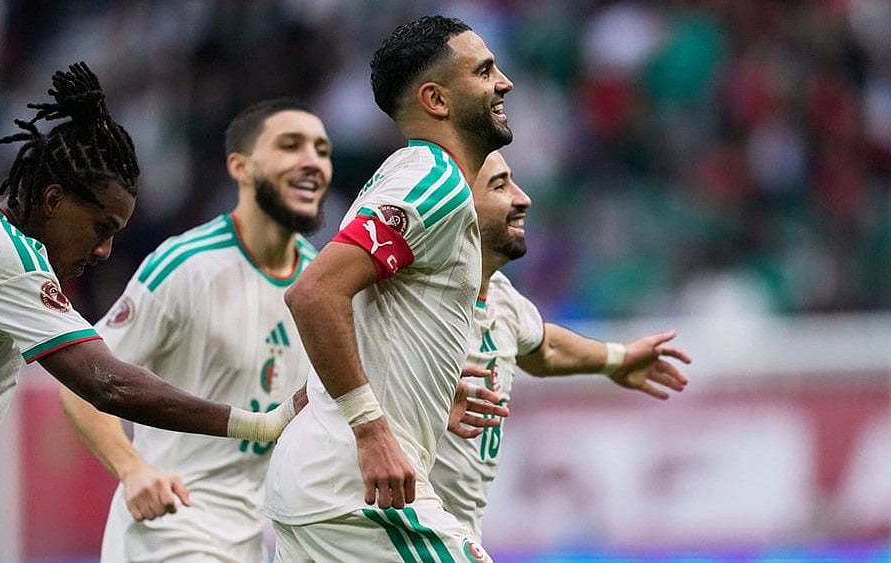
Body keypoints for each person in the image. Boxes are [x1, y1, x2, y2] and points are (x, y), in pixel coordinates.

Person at [0, 63, 300, 563]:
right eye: (100, 227)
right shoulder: (7, 259)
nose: (104, 251)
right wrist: (258, 424)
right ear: (54, 201)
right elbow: (107, 383)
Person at [263, 15, 513, 562]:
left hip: (323, 486)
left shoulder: (408, 176)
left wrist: (423, 390)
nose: (504, 83)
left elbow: (361, 305)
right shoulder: (433, 182)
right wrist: (372, 430)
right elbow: (314, 294)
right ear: (437, 100)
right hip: (357, 493)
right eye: (484, 71)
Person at [57, 98, 332, 562]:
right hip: (170, 529)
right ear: (241, 167)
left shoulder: (321, 283)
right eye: (291, 145)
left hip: (254, 537)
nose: (313, 161)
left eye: (322, 150)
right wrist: (133, 471)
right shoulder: (186, 265)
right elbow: (82, 385)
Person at [430, 150, 692, 541]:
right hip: (397, 523)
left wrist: (616, 359)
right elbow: (325, 307)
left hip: (455, 528)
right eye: (499, 186)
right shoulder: (408, 294)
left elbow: (544, 348)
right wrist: (413, 399)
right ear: (459, 207)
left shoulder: (502, 297)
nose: (522, 198)